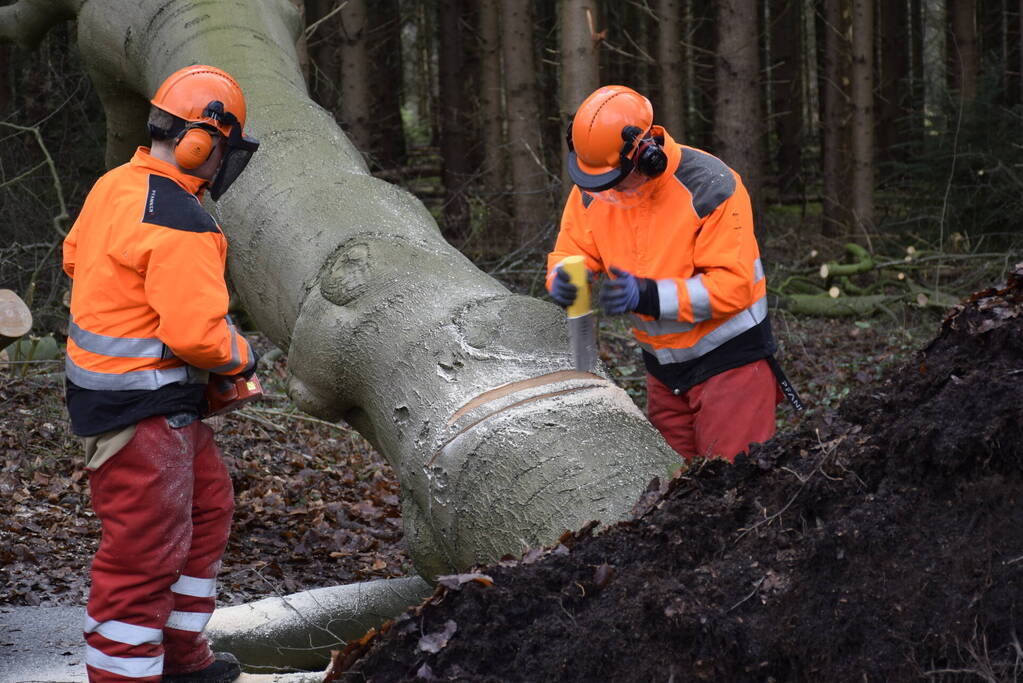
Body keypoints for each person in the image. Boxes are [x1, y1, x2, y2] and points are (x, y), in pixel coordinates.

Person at [62, 64, 260, 683]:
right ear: (202, 141)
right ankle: (126, 674)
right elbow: (198, 336)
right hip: (138, 414)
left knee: (208, 507)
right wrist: (243, 356)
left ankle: (178, 657)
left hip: (149, 403)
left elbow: (75, 258)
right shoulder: (182, 220)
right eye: (219, 147)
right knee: (143, 555)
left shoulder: (115, 184)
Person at [547, 84, 791, 463]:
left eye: (613, 182)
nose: (605, 193)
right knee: (674, 489)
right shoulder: (595, 187)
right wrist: (563, 276)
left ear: (646, 156)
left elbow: (734, 286)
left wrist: (648, 296)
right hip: (663, 371)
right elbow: (573, 248)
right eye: (598, 183)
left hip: (731, 365)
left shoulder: (711, 187)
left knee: (734, 485)